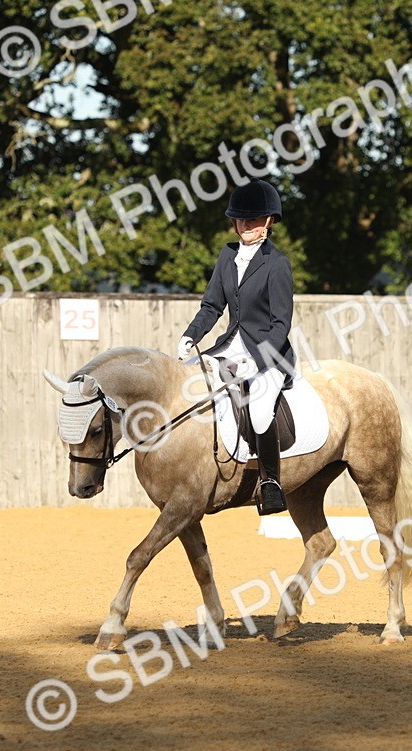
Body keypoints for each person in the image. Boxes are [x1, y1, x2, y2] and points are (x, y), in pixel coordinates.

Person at [178, 179, 296, 515]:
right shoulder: (227, 255)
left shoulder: (277, 264)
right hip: (229, 345)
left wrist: (256, 361)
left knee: (259, 408)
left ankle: (271, 483)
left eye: (255, 219)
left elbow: (280, 324)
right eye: (242, 220)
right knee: (189, 384)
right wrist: (191, 336)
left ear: (269, 221)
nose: (247, 225)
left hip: (269, 354)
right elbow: (212, 306)